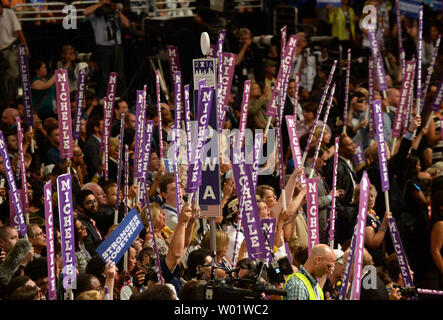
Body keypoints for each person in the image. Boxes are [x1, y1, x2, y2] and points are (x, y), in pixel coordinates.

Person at [83, 0, 129, 100]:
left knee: (119, 74)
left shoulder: (115, 14)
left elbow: (126, 24)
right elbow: (85, 12)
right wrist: (101, 4)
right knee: (104, 75)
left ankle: (120, 97)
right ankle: (102, 97)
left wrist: (117, 10)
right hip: (102, 48)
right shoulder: (96, 16)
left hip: (117, 47)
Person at [0, 1, 29, 103]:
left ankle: (13, 98)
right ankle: (5, 99)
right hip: (0, 51)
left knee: (14, 74)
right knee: (4, 77)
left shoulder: (9, 13)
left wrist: (25, 47)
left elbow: (18, 31)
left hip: (11, 47)